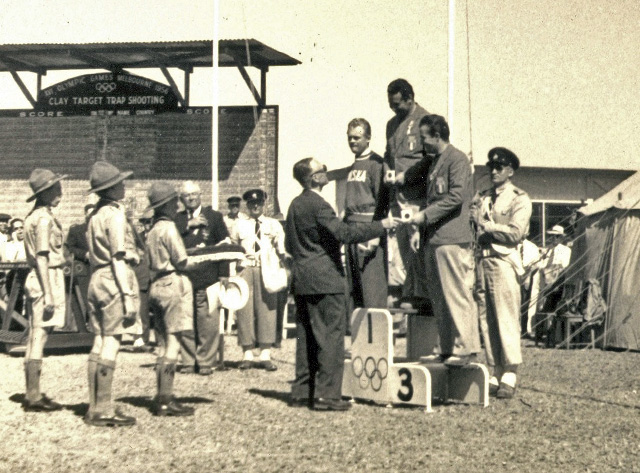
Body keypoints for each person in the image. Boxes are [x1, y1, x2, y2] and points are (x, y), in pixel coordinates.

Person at [285, 157, 399, 411]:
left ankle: (303, 392)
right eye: (322, 170)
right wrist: (382, 225)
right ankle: (327, 395)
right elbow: (345, 234)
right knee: (330, 338)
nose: (326, 172)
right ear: (314, 178)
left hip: (302, 280)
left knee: (306, 340)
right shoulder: (320, 206)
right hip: (326, 280)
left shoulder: (295, 205)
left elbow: (289, 245)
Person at [398, 114, 480, 366]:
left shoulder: (457, 160)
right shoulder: (435, 163)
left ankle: (466, 348)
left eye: (424, 137)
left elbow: (456, 197)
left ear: (437, 135)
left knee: (455, 294)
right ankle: (446, 347)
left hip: (452, 239)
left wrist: (424, 216)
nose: (422, 142)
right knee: (439, 297)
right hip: (434, 240)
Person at [472, 147, 532, 399]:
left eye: (499, 167)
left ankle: (510, 371)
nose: (494, 171)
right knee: (487, 318)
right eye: (491, 167)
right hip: (482, 261)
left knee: (506, 316)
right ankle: (495, 369)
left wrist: (487, 226)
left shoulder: (519, 198)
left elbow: (516, 232)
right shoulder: (483, 197)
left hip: (504, 260)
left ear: (510, 171)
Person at [84, 161, 141, 427]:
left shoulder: (95, 215)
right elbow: (117, 258)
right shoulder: (115, 215)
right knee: (112, 341)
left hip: (96, 277)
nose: (124, 185)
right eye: (120, 182)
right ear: (111, 188)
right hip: (112, 279)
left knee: (98, 341)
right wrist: (128, 295)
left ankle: (95, 406)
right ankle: (104, 408)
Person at [145, 182, 203, 416]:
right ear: (168, 204)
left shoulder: (152, 229)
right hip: (172, 282)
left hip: (156, 284)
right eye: (174, 201)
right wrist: (206, 259)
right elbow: (182, 261)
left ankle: (161, 394)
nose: (177, 205)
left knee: (161, 343)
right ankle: (166, 398)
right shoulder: (169, 228)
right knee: (173, 342)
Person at [21, 169, 68, 412]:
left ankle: (33, 393)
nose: (60, 193)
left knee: (35, 334)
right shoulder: (43, 219)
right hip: (45, 277)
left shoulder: (34, 216)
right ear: (45, 193)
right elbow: (42, 256)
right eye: (56, 189)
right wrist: (49, 293)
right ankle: (33, 397)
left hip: (40, 277)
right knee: (39, 335)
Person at [383, 79, 430, 311]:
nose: (394, 109)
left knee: (416, 246)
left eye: (398, 105)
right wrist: (387, 173)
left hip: (416, 197)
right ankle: (407, 291)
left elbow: (430, 158)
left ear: (410, 98)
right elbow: (387, 155)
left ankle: (420, 294)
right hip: (397, 197)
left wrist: (408, 176)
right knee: (402, 247)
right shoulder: (391, 125)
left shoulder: (426, 120)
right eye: (391, 105)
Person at [175, 181, 230, 375]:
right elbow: (171, 237)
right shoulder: (177, 219)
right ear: (181, 199)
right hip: (184, 278)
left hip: (209, 276)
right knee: (185, 321)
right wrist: (188, 225)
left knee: (208, 321)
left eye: (193, 194)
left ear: (200, 195)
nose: (190, 198)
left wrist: (224, 273)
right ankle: (188, 361)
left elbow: (225, 245)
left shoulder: (214, 217)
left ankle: (206, 361)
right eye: (186, 195)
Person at [234, 189, 285, 371]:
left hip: (267, 268)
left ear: (264, 204)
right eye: (251, 203)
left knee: (267, 308)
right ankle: (247, 352)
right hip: (245, 267)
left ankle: (265, 353)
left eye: (259, 203)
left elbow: (282, 248)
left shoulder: (273, 225)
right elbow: (233, 248)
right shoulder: (239, 225)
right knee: (244, 309)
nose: (255, 206)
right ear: (247, 205)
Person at [343, 118, 389, 311]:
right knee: (354, 289)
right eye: (350, 138)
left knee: (372, 288)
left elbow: (383, 201)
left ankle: (376, 337)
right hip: (351, 229)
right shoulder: (353, 165)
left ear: (368, 138)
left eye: (357, 137)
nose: (353, 141)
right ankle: (358, 338)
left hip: (368, 229)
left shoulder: (376, 164)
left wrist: (376, 234)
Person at [65, 203, 95, 321]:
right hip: (85, 268)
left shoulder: (102, 229)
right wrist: (84, 254)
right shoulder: (77, 230)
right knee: (86, 295)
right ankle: (88, 321)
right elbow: (70, 248)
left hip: (100, 267)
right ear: (85, 214)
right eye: (90, 213)